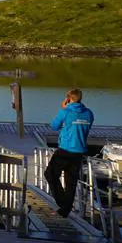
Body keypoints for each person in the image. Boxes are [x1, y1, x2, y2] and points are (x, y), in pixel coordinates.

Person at [44, 88, 95, 217]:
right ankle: (65, 208)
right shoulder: (89, 113)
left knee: (50, 174)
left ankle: (62, 202)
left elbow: (54, 126)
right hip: (79, 151)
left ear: (68, 99)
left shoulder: (65, 111)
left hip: (65, 149)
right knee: (71, 181)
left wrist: (64, 108)